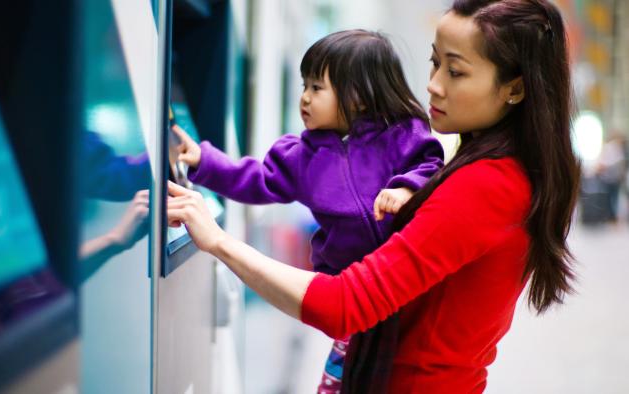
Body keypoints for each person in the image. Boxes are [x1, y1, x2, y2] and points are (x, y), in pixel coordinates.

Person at [167, 0, 580, 392]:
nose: (433, 86)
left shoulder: (486, 185)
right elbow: (262, 178)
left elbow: (343, 305)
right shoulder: (494, 169)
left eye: (455, 72)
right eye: (436, 62)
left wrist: (218, 241)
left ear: (514, 89)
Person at [171, 29, 444, 391]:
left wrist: (407, 187)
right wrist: (205, 160)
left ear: (359, 95)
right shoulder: (302, 157)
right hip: (347, 294)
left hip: (401, 290)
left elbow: (432, 167)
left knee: (398, 374)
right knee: (344, 380)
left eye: (317, 88)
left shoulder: (402, 136)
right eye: (304, 86)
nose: (304, 98)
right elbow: (256, 179)